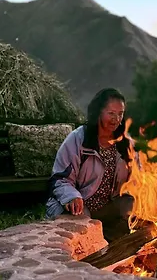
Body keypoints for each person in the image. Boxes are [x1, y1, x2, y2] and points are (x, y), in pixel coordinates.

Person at [46, 87, 135, 242]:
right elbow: (59, 179)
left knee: (136, 213)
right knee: (80, 233)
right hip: (80, 207)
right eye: (111, 113)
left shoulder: (125, 143)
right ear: (98, 112)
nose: (116, 119)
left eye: (120, 114)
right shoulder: (79, 139)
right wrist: (72, 197)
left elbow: (138, 177)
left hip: (109, 206)